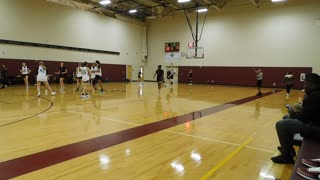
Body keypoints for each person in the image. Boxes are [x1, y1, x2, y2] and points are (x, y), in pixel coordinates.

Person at [271, 73, 320, 164]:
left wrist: (294, 114)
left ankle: (286, 156)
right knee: (286, 117)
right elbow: (309, 113)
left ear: (311, 83)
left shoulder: (315, 96)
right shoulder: (315, 94)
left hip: (316, 126)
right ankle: (289, 149)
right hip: (315, 122)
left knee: (281, 124)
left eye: (305, 84)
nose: (304, 86)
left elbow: (304, 117)